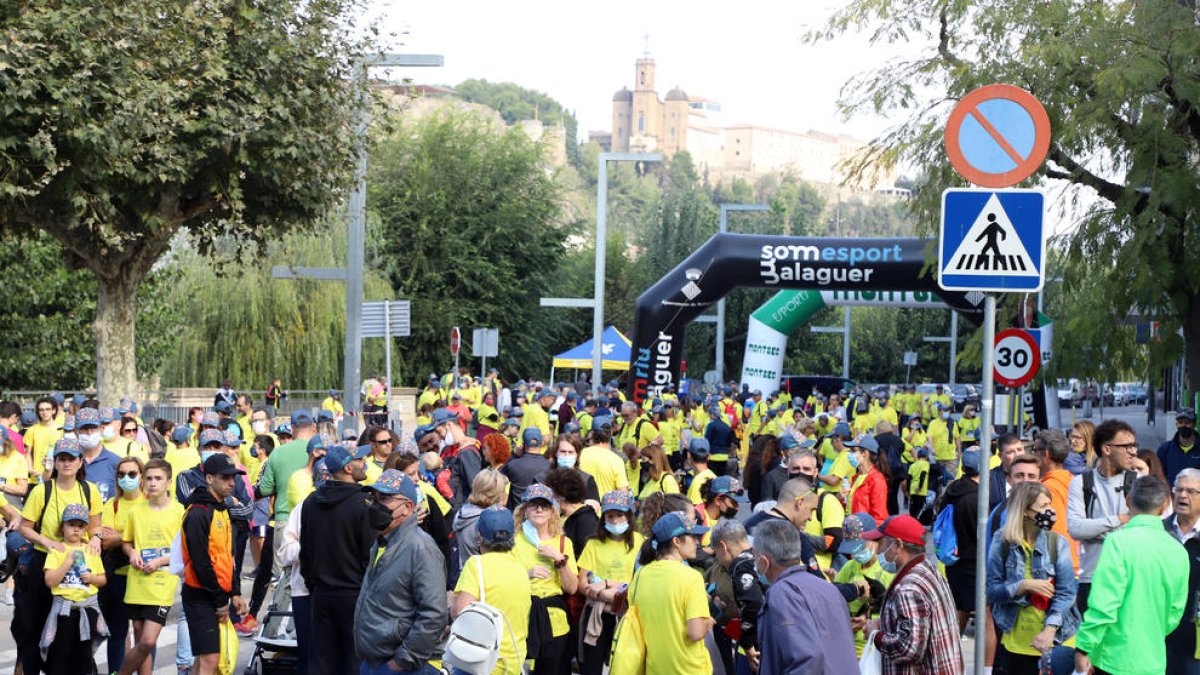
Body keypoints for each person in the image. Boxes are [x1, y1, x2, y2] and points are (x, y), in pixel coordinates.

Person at [1074, 475, 1189, 675]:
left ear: (1128, 500)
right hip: (1153, 660)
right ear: (1164, 505)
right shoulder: (1178, 549)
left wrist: (1083, 647)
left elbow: (1104, 603)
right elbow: (1175, 612)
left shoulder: (1118, 542)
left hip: (1113, 659)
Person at [300, 441, 389, 674]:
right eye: (359, 460)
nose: (365, 462)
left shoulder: (311, 502)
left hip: (321, 594)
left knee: (322, 661)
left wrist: (314, 584)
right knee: (353, 661)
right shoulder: (363, 503)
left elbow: (305, 553)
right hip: (354, 594)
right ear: (348, 469)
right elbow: (368, 554)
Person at [16, 437, 104, 675]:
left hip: (79, 565)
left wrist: (96, 538)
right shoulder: (42, 490)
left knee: (75, 634)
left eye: (71, 459)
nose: (66, 463)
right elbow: (25, 526)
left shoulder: (89, 489)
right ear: (54, 462)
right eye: (61, 458)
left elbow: (97, 525)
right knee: (36, 627)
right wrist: (48, 541)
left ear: (80, 462)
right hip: (45, 561)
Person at [354, 470, 448, 674]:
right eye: (375, 498)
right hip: (372, 660)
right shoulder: (381, 542)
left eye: (385, 498)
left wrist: (405, 659)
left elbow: (434, 614)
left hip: (399, 665)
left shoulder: (421, 548)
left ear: (407, 507)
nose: (376, 505)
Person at [984, 482, 1080, 673]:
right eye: (1044, 506)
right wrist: (1023, 585)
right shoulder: (1002, 541)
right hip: (1016, 643)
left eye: (1050, 504)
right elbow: (992, 591)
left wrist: (1050, 630)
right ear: (1026, 511)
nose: (1051, 511)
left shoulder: (1056, 542)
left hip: (1057, 640)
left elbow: (1067, 593)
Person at [754, 519, 858, 674]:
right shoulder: (827, 588)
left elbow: (807, 658)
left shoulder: (782, 593)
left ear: (764, 561)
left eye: (754, 556)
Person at [863, 515, 963, 674]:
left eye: (881, 543)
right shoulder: (927, 570)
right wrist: (882, 624)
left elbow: (909, 647)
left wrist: (876, 636)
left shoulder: (909, 588)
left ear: (898, 545)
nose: (879, 550)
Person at [181, 453, 248, 675]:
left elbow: (228, 556)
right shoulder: (198, 513)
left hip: (216, 593)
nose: (232, 483)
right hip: (200, 595)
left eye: (234, 478)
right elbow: (201, 563)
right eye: (225, 478)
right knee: (210, 660)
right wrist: (220, 600)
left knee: (205, 660)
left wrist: (235, 591)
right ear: (209, 478)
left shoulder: (222, 508)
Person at [119, 459, 185, 675]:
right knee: (139, 636)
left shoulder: (179, 511)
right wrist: (132, 553)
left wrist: (159, 561)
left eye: (158, 478)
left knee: (147, 641)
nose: (153, 483)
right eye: (148, 478)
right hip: (137, 581)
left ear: (168, 481)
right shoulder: (136, 511)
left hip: (162, 582)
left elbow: (184, 549)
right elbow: (126, 542)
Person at [629, 511, 714, 674]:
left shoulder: (641, 574)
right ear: (676, 541)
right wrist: (707, 622)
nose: (698, 542)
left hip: (655, 668)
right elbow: (696, 633)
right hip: (689, 669)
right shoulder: (692, 577)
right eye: (693, 537)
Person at [452, 506, 532, 675]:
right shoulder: (521, 569)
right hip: (513, 661)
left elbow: (460, 612)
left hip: (480, 662)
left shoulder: (476, 565)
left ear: (479, 535)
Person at [1067, 419, 1137, 613]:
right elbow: (1075, 528)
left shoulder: (1139, 482)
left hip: (1129, 580)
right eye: (1126, 446)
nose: (1133, 451)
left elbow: (1142, 530)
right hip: (1091, 577)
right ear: (1107, 449)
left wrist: (1096, 531)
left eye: (1134, 445)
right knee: (1089, 642)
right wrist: (1119, 520)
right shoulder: (1081, 482)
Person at [513, 483, 579, 674]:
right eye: (534, 504)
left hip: (554, 623)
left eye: (544, 505)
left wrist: (559, 559)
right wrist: (526, 574)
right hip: (522, 619)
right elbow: (504, 579)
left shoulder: (563, 542)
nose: (539, 509)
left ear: (552, 512)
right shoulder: (514, 540)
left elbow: (572, 588)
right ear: (525, 510)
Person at [256, 409, 318, 607]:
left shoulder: (278, 453)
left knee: (283, 578)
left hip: (284, 520)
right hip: (317, 519)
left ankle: (277, 627)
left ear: (292, 430)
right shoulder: (320, 451)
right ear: (314, 428)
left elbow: (265, 488)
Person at [577, 491, 641, 675]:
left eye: (619, 515)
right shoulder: (593, 544)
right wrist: (600, 592)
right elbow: (582, 583)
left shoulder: (640, 542)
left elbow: (643, 577)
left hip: (628, 613)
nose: (614, 521)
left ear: (629, 515)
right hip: (598, 612)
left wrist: (611, 586)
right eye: (610, 516)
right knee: (592, 667)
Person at [41, 502, 108, 675]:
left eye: (80, 526)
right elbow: (50, 581)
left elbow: (102, 579)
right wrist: (68, 562)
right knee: (60, 654)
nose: (76, 530)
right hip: (64, 610)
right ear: (63, 526)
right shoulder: (57, 550)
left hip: (87, 608)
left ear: (86, 529)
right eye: (71, 525)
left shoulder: (91, 550)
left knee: (84, 655)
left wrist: (92, 578)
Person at [98, 455, 147, 672]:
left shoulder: (149, 502)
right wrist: (133, 534)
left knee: (143, 635)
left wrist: (121, 534)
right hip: (117, 575)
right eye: (121, 474)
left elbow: (151, 538)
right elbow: (106, 541)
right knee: (117, 633)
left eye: (132, 474)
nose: (126, 478)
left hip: (144, 575)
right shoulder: (113, 504)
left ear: (141, 475)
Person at [711, 519, 764, 675]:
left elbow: (752, 603)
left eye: (716, 553)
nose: (718, 560)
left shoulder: (740, 565)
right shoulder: (759, 554)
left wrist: (747, 644)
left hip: (758, 643)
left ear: (723, 546)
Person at [1164, 468, 1200, 674]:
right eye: (1179, 490)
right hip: (1160, 632)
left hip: (1195, 637)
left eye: (1191, 491)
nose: (1183, 495)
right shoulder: (1159, 532)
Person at [1034, 430, 1080, 571]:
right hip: (1078, 563)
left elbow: (1054, 532)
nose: (1032, 454)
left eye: (1034, 450)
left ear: (1045, 454)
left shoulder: (1047, 489)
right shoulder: (1074, 481)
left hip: (1061, 568)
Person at [453, 470, 511, 570]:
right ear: (496, 494)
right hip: (486, 578)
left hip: (466, 573)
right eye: (503, 490)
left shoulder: (463, 513)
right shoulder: (490, 522)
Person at [544, 467, 599, 559]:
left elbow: (587, 556)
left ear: (561, 495)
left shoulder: (586, 520)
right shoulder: (561, 516)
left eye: (552, 493)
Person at [578, 418, 628, 498]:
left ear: (592, 433)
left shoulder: (579, 455)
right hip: (605, 509)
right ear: (611, 433)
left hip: (581, 508)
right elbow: (623, 495)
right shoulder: (616, 460)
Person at [541, 434, 600, 502]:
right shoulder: (542, 478)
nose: (566, 455)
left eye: (570, 452)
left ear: (577, 454)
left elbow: (594, 506)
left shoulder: (586, 480)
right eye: (563, 452)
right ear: (555, 453)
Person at [848, 434, 889, 523]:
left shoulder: (877, 480)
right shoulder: (857, 477)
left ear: (865, 454)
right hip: (853, 530)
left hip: (865, 533)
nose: (849, 454)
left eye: (853, 451)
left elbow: (879, 517)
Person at [1159, 408, 1199, 486]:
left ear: (1194, 425)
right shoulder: (1165, 450)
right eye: (1180, 422)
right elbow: (1158, 476)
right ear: (1176, 424)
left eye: (1187, 423)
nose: (1184, 425)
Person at [685, 438, 717, 505]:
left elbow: (695, 513)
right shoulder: (714, 477)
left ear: (689, 455)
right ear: (709, 456)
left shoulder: (697, 482)